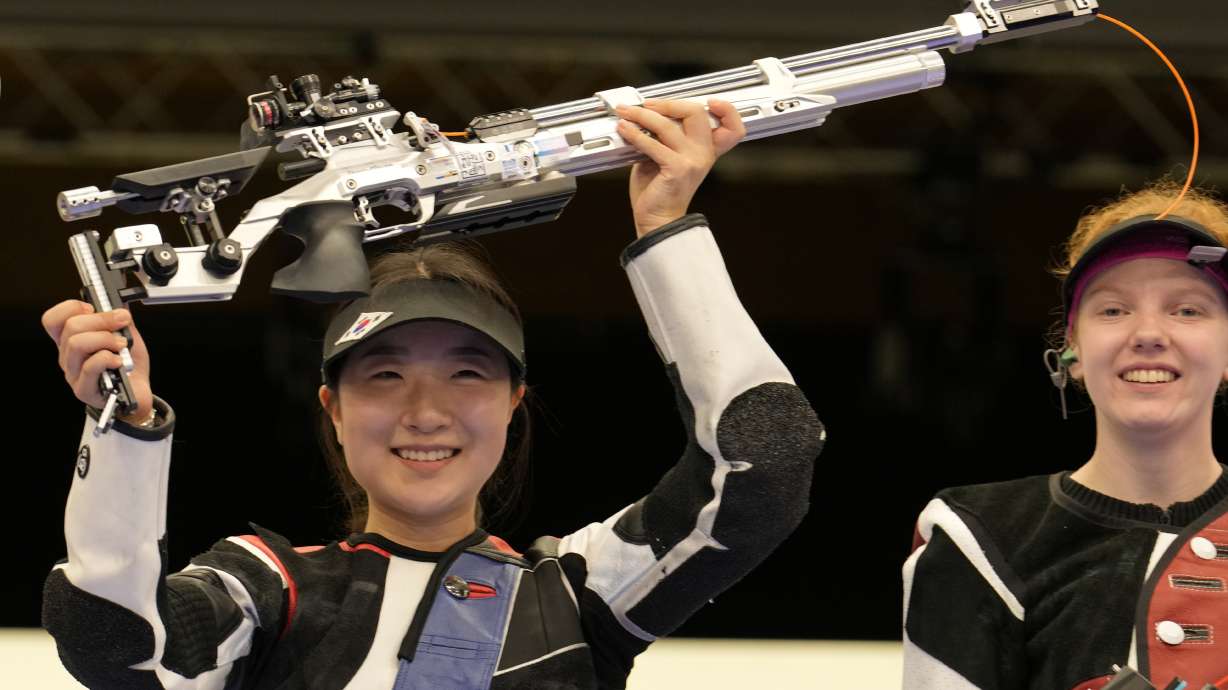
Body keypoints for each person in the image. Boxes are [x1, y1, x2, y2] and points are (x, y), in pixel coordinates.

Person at [40, 98, 826, 689]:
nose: (425, 410)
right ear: (333, 410)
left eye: (467, 373)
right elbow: (116, 649)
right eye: (384, 375)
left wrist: (666, 229)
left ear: (516, 402)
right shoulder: (267, 590)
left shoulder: (575, 595)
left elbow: (767, 464)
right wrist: (124, 428)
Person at [902, 183, 1228, 689]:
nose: (1147, 333)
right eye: (1113, 310)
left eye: (1187, 310)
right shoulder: (981, 541)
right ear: (1071, 352)